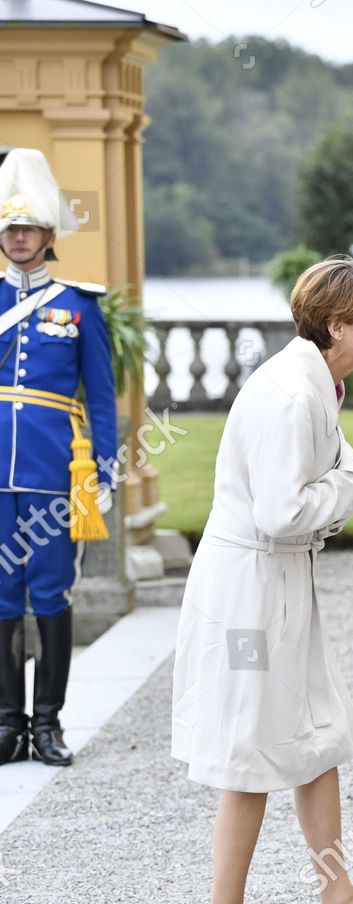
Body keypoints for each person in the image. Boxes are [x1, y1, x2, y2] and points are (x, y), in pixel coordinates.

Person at [171, 257, 353, 904]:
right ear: (336, 324)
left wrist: (339, 479)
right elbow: (284, 514)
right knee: (250, 753)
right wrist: (349, 484)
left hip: (275, 577)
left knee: (319, 732)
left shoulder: (320, 380)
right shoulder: (291, 395)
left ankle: (338, 901)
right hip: (251, 590)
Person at [0, 148, 118, 768]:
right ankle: (4, 723)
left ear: (48, 235)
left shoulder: (80, 304)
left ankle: (47, 724)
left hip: (53, 474)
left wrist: (104, 470)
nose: (18, 238)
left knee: (49, 594)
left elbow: (99, 396)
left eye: (28, 228)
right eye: (9, 228)